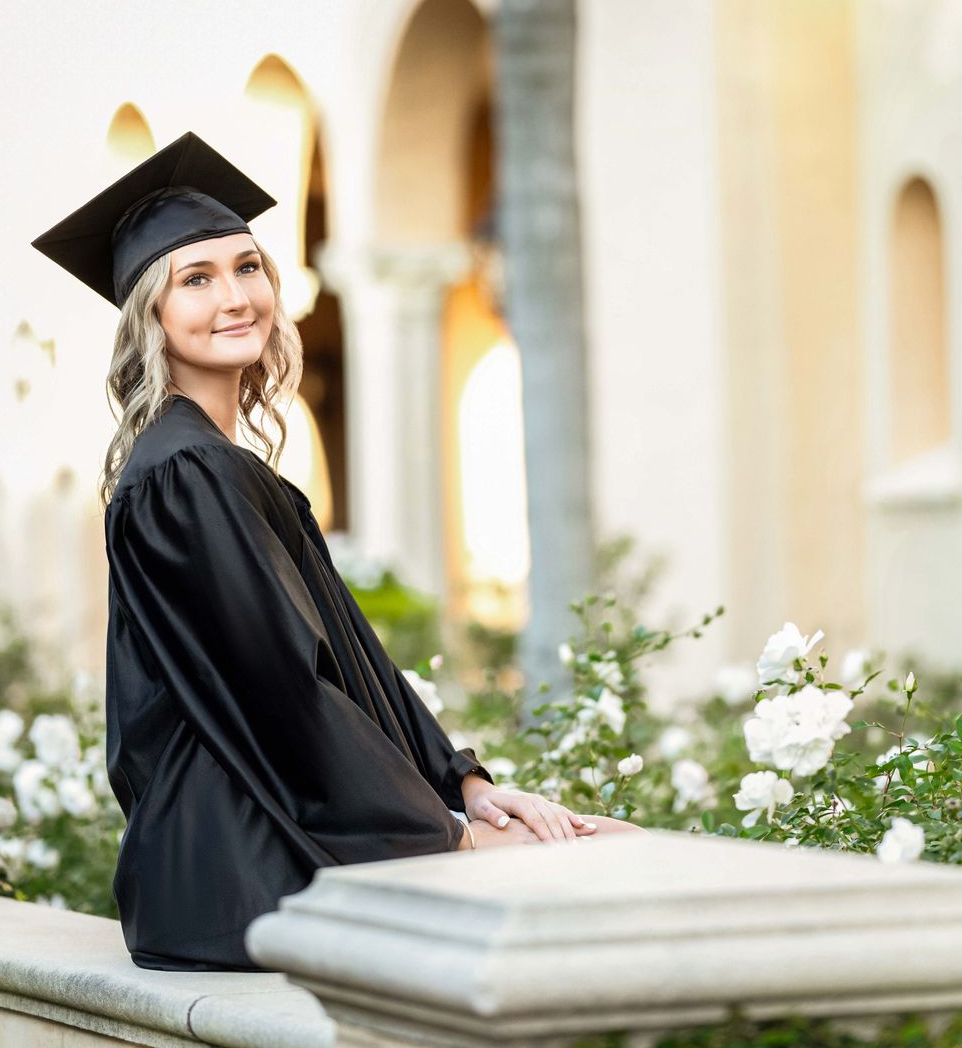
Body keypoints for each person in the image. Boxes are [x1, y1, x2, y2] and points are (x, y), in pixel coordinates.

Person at [31, 130, 643, 972]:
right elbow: (283, 692)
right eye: (197, 279)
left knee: (603, 845)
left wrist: (463, 783)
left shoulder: (214, 465)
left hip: (260, 843)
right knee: (613, 865)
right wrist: (446, 839)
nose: (235, 296)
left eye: (248, 267)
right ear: (152, 317)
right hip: (241, 863)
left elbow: (348, 661)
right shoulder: (188, 474)